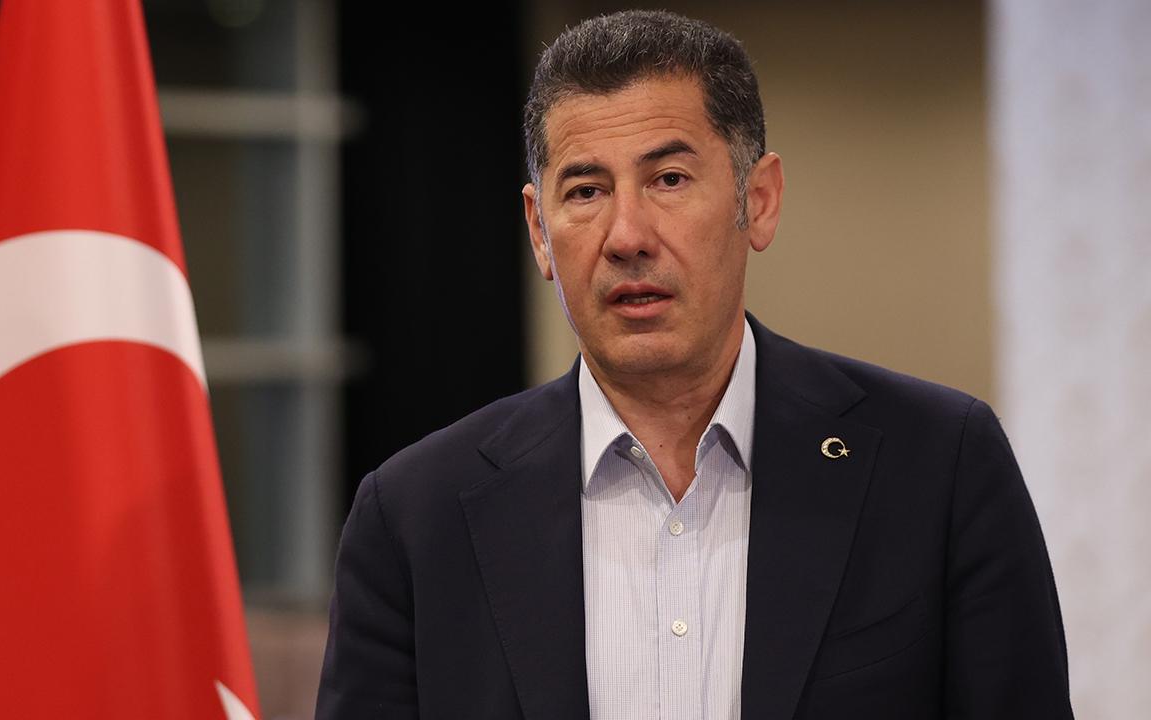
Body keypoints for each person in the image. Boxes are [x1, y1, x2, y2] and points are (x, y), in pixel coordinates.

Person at [315, 10, 1072, 720]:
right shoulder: (415, 517)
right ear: (540, 232)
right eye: (586, 190)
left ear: (759, 200)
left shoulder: (939, 466)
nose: (627, 236)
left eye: (669, 180)